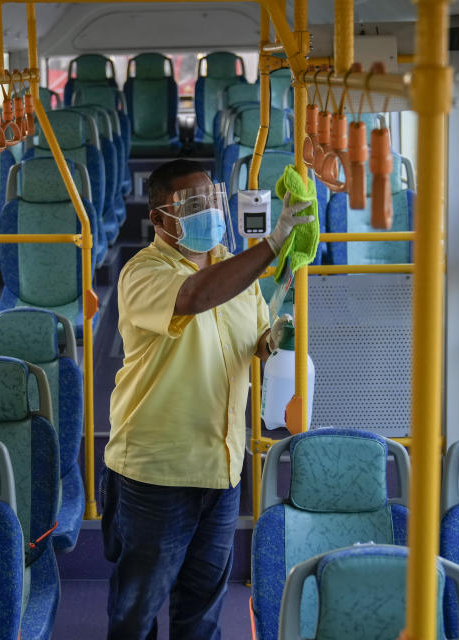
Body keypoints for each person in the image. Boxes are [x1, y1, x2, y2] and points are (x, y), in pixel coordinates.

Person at [101, 158, 313, 639]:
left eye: (212, 200)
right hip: (156, 473)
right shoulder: (143, 273)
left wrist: (274, 338)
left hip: (221, 467)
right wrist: (272, 244)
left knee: (202, 613)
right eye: (194, 205)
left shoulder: (229, 269)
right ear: (159, 220)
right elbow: (195, 297)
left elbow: (256, 335)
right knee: (135, 614)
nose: (210, 212)